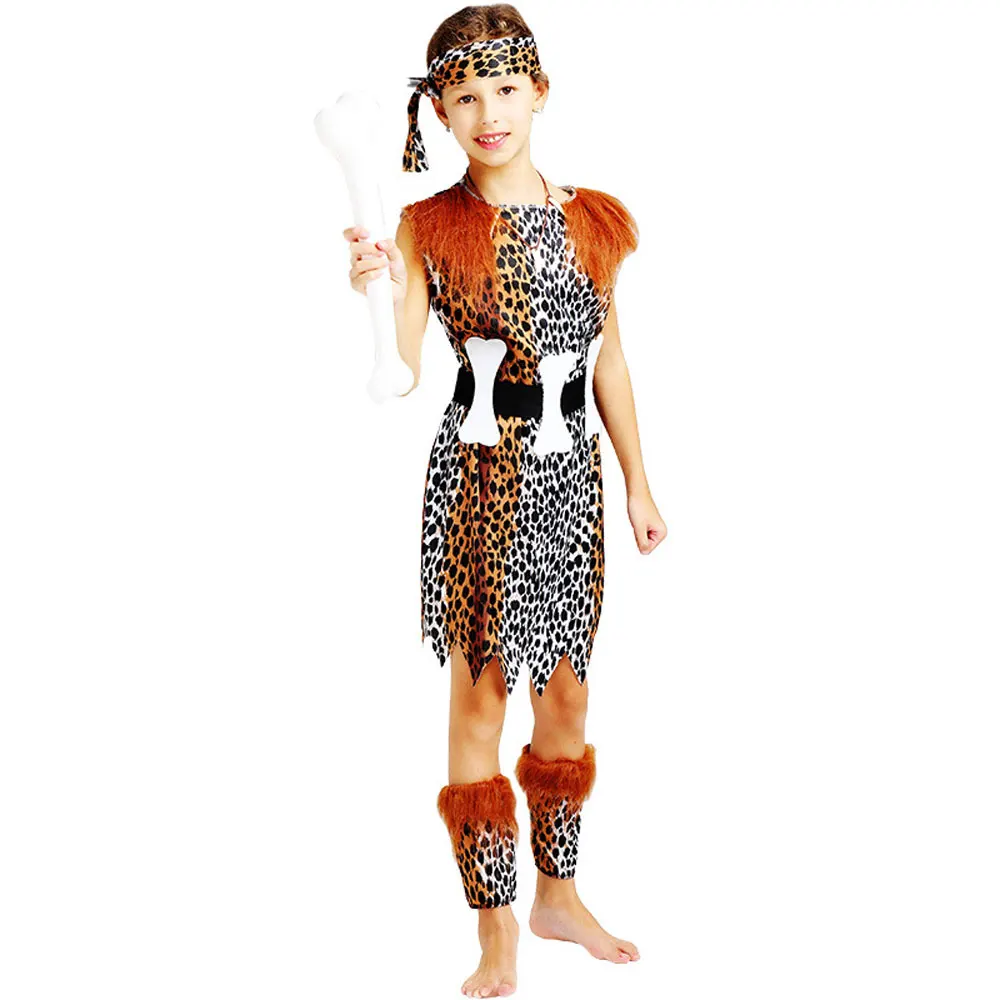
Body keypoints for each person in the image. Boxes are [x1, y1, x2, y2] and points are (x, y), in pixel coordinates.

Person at [343, 6, 666, 996]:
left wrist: (639, 484)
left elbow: (609, 361)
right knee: (481, 693)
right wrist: (374, 288)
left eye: (505, 90)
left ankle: (557, 895)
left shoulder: (593, 220)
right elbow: (401, 367)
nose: (489, 114)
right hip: (481, 480)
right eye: (465, 96)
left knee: (566, 691)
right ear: (438, 112)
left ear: (539, 92)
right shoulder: (427, 226)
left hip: (571, 482)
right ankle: (495, 929)